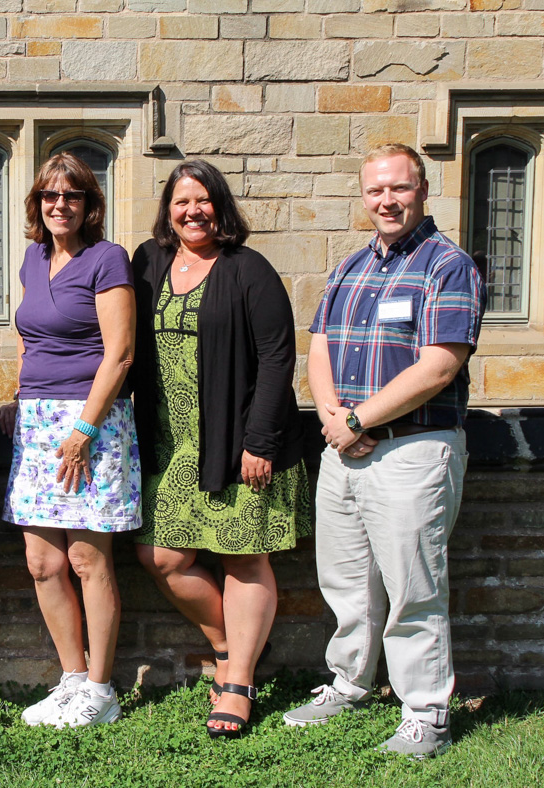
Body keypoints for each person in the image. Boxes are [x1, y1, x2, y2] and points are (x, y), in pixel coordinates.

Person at [284, 143, 485, 759]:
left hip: (414, 449)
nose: (387, 201)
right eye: (376, 191)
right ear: (364, 197)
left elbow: (439, 366)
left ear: (423, 191)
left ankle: (425, 712)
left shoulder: (448, 267)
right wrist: (335, 419)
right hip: (345, 448)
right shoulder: (350, 268)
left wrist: (358, 418)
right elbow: (318, 348)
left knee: (413, 587)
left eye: (398, 189)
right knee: (346, 581)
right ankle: (350, 682)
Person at [130, 160, 312, 739]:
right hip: (170, 442)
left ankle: (236, 683)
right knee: (160, 557)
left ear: (221, 207)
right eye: (182, 202)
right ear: (167, 210)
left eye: (204, 201)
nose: (193, 212)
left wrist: (260, 441)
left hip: (236, 442)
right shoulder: (149, 262)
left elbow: (279, 357)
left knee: (242, 556)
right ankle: (231, 650)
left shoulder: (248, 269)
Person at [0, 153, 140, 729]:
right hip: (36, 422)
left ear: (89, 205)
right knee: (41, 560)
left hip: (91, 420)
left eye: (72, 196)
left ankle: (102, 691)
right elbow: (30, 342)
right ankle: (71, 679)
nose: (60, 205)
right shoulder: (33, 259)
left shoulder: (107, 259)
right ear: (37, 203)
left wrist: (83, 428)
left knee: (86, 557)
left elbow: (120, 353)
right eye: (50, 196)